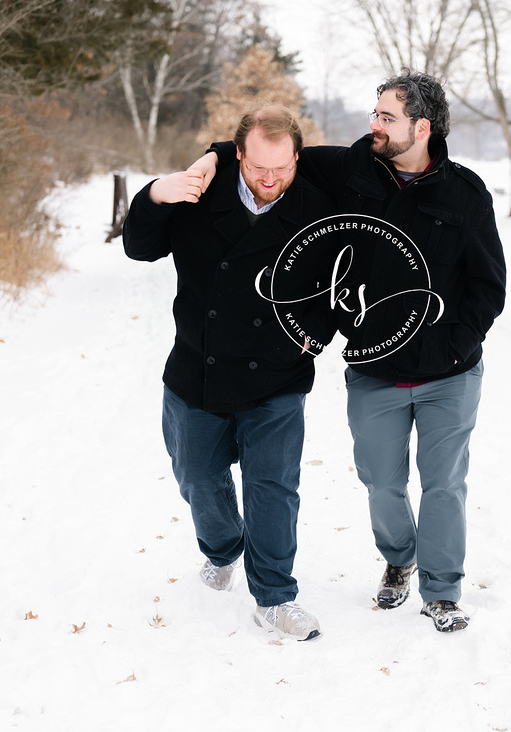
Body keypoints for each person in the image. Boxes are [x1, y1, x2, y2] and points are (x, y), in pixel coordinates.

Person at [193, 71, 506, 633]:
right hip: (374, 369)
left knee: (443, 483)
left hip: (450, 374)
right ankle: (399, 557)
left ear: (421, 127)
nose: (374, 125)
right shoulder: (352, 167)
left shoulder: (466, 192)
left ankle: (441, 591)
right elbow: (270, 153)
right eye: (374, 113)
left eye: (386, 117)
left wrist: (457, 342)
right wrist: (217, 155)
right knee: (381, 481)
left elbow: (489, 285)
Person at [123, 105, 336, 641]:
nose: (270, 180)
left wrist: (317, 332)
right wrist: (154, 195)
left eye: (282, 168)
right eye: (257, 167)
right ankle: (221, 549)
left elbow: (343, 276)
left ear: (297, 158)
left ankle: (274, 597)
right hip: (199, 370)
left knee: (273, 488)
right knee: (195, 474)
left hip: (278, 375)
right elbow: (138, 247)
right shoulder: (200, 195)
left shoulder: (320, 209)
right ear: (237, 154)